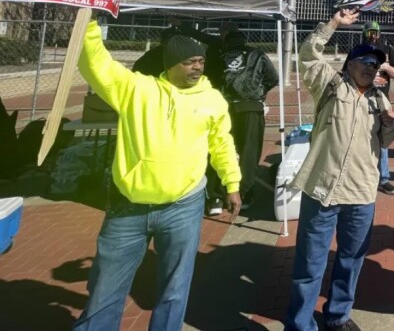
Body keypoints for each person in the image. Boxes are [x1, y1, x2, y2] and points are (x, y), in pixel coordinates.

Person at [74, 19, 242, 330]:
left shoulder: (212, 100)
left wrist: (232, 183)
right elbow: (96, 63)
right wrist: (88, 22)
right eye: (189, 61)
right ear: (170, 64)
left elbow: (222, 143)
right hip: (128, 207)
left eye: (201, 61)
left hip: (184, 206)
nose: (197, 67)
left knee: (174, 289)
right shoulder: (136, 89)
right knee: (105, 287)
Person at [284, 9, 394, 331]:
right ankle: (299, 324)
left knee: (351, 260)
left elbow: (386, 140)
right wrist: (334, 23)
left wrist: (389, 125)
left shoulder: (380, 101)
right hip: (323, 189)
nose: (369, 67)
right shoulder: (330, 85)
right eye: (363, 61)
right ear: (349, 64)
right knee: (310, 265)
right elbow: (307, 54)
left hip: (362, 193)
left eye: (374, 64)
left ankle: (337, 316)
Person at [204, 30, 279, 214]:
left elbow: (209, 79)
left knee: (218, 148)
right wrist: (259, 93)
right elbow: (273, 78)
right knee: (249, 152)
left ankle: (216, 197)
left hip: (224, 105)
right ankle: (245, 193)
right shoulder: (257, 54)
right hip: (251, 107)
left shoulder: (217, 55)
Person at [361, 21, 394, 194]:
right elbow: (346, 73)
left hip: (382, 101)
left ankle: (383, 178)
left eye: (376, 32)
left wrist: (385, 66)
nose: (373, 36)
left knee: (384, 139)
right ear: (365, 34)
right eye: (370, 32)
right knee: (361, 138)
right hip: (362, 99)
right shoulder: (359, 50)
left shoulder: (387, 50)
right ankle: (361, 176)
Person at [171, 18, 239, 88]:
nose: (220, 34)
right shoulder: (217, 41)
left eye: (223, 31)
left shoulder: (237, 47)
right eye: (220, 31)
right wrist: (181, 25)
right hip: (212, 76)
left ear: (230, 32)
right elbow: (198, 35)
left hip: (225, 79)